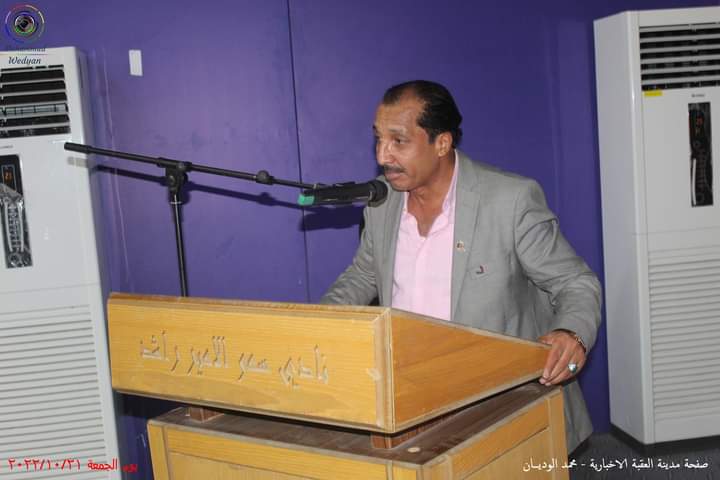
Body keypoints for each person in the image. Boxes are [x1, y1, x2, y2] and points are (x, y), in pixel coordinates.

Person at [321, 80, 602, 453]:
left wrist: (571, 334)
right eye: (378, 139)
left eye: (398, 141)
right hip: (413, 401)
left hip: (503, 405)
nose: (383, 155)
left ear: (442, 143)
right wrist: (319, 329)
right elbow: (362, 276)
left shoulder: (509, 200)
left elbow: (575, 283)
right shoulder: (382, 201)